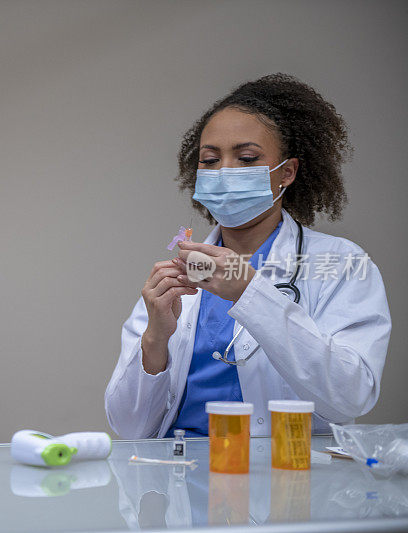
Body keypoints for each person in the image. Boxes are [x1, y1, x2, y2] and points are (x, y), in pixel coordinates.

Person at [105, 74, 391, 438]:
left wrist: (252, 294)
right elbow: (129, 428)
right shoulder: (180, 273)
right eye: (210, 160)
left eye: (246, 158)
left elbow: (351, 398)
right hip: (181, 479)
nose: (224, 171)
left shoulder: (342, 263)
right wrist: (155, 340)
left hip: (284, 477)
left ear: (286, 172)